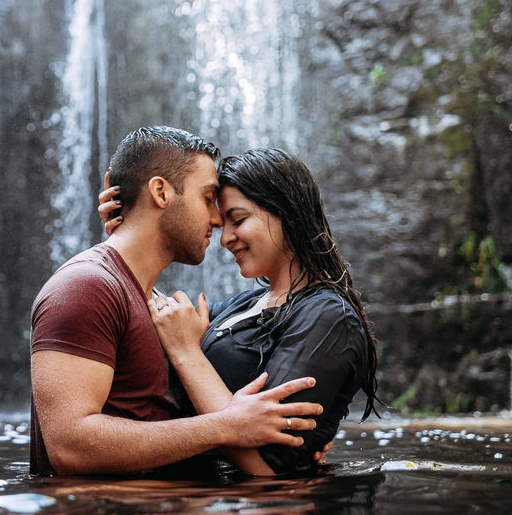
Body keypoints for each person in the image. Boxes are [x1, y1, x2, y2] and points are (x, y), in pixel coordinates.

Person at [29, 126, 325, 477]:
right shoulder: (85, 286)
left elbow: (156, 424)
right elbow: (69, 446)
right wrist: (226, 425)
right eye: (207, 198)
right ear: (161, 192)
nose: (217, 221)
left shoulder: (155, 304)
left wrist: (286, 441)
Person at [100, 147, 381, 476]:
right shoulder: (245, 305)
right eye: (223, 225)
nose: (225, 239)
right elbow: (161, 320)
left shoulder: (328, 317)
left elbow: (267, 464)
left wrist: (188, 352)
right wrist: (132, 232)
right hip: (202, 508)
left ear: (286, 212)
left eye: (239, 220)